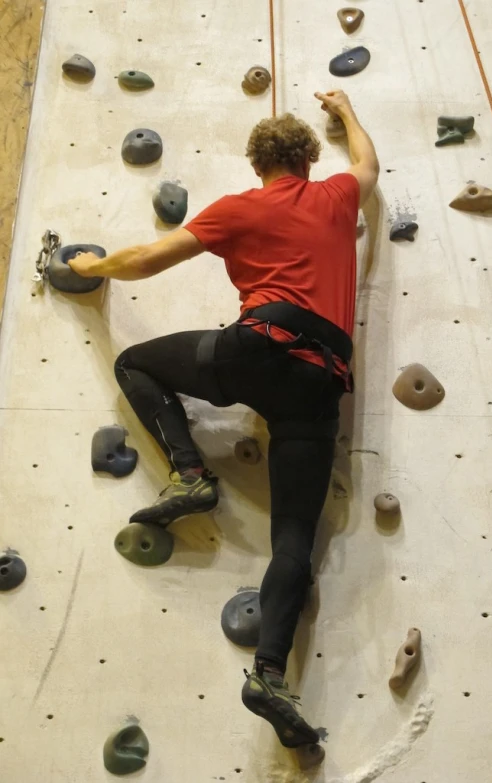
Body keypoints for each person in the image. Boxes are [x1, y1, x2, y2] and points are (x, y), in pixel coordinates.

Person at [70, 89, 379, 749]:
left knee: (136, 364)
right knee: (294, 538)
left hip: (261, 349)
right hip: (322, 384)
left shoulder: (242, 206)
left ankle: (190, 473)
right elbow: (367, 166)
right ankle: (269, 672)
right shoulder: (336, 196)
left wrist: (93, 265)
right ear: (306, 158)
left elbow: (150, 260)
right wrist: (348, 112)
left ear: (256, 163)